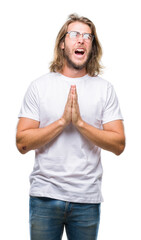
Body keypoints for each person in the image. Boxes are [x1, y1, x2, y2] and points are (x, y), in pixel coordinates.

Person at [16, 13, 125, 240]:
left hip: (87, 200)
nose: (81, 40)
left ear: (92, 46)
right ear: (62, 43)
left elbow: (119, 144)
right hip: (45, 197)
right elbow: (22, 142)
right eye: (75, 34)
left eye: (88, 36)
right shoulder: (39, 86)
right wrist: (62, 122)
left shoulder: (104, 89)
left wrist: (81, 124)